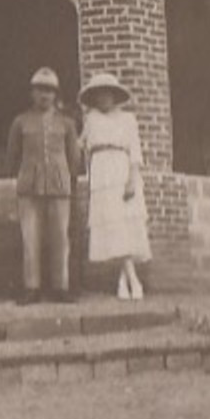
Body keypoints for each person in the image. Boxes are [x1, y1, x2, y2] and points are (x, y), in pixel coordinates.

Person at [5, 67, 80, 304]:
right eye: (39, 90)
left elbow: (74, 158)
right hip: (29, 185)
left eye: (49, 91)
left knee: (60, 236)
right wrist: (21, 177)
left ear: (56, 95)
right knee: (30, 237)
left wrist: (70, 180)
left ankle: (61, 286)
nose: (44, 95)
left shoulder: (67, 123)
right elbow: (12, 156)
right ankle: (31, 287)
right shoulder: (20, 122)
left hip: (59, 185)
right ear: (32, 93)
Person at [79, 72, 151, 300]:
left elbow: (135, 152)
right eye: (99, 95)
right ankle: (126, 280)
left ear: (115, 96)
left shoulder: (128, 120)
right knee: (113, 227)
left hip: (121, 171)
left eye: (107, 94)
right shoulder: (91, 119)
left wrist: (132, 178)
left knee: (125, 225)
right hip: (101, 175)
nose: (104, 99)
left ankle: (131, 280)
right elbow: (81, 146)